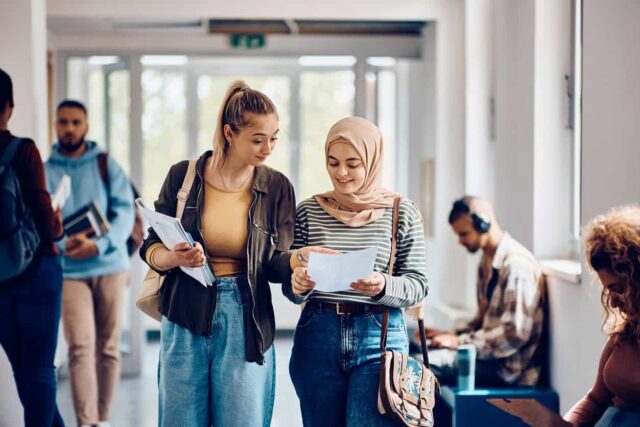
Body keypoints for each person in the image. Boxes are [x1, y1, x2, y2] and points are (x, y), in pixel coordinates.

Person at [139, 81, 299, 427]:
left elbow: (277, 261)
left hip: (246, 314)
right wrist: (175, 258)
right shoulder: (184, 176)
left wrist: (299, 263)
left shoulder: (277, 187)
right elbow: (150, 246)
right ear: (229, 133)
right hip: (184, 311)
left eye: (274, 137)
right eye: (257, 139)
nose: (267, 148)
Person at [283, 116, 429, 426]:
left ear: (373, 160)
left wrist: (382, 286)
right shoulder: (309, 211)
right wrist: (298, 283)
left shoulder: (402, 212)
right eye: (333, 162)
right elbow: (291, 289)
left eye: (353, 163)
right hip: (317, 333)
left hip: (379, 337)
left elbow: (419, 285)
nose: (341, 173)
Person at [44, 100, 135, 427]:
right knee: (80, 347)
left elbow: (125, 214)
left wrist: (98, 246)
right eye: (63, 122)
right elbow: (37, 223)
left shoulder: (105, 164)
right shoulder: (44, 169)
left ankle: (103, 420)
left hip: (110, 265)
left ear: (86, 126)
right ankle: (87, 422)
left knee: (108, 348)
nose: (69, 128)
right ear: (55, 125)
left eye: (76, 122)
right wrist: (64, 244)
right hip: (68, 270)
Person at [422, 196, 545, 387]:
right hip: (489, 358)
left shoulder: (516, 266)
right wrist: (449, 334)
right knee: (418, 351)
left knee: (422, 366)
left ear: (483, 223)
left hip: (507, 371)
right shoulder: (487, 261)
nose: (460, 241)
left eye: (464, 234)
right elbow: (483, 321)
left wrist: (459, 342)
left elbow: (515, 334)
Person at [0, 68, 65, 426]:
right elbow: (48, 227)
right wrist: (56, 214)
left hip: (0, 281)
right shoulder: (21, 150)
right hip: (37, 271)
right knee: (39, 370)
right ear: (8, 106)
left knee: (24, 372)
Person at [564, 205, 640, 427]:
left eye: (618, 289)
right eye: (609, 291)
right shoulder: (625, 333)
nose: (614, 302)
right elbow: (596, 399)